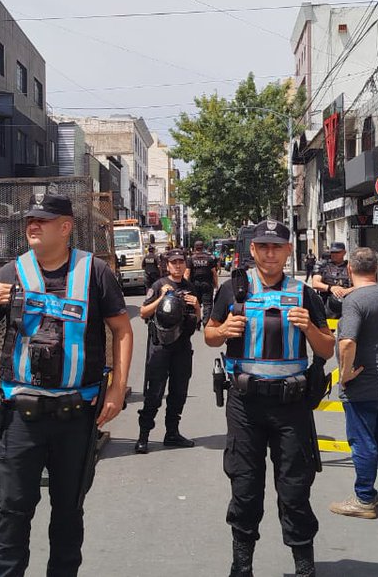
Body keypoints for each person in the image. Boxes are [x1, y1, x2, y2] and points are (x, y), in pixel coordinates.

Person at [0, 193, 133, 577]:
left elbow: (122, 330)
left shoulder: (95, 272)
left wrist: (118, 388)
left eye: (42, 220)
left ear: (66, 227)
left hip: (76, 415)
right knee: (11, 512)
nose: (33, 226)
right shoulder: (10, 273)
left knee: (68, 513)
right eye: (29, 221)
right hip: (20, 418)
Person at [206, 220, 334, 577]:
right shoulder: (234, 289)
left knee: (294, 489)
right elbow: (209, 335)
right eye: (263, 246)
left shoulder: (304, 292)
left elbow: (327, 348)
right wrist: (223, 331)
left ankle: (304, 567)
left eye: (277, 246)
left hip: (291, 405)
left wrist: (309, 327)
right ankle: (241, 566)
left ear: (288, 250)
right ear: (253, 250)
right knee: (245, 487)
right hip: (245, 404)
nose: (270, 253)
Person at [329, 248, 378, 520]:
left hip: (363, 379)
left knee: (362, 440)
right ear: (376, 269)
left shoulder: (354, 300)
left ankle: (364, 498)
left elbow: (347, 341)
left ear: (350, 269)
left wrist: (345, 372)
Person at [137, 248, 201, 453]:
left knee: (178, 392)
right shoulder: (158, 285)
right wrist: (161, 298)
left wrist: (198, 306)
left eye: (181, 262)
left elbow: (197, 321)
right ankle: (143, 436)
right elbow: (143, 312)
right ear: (167, 265)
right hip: (160, 348)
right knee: (154, 393)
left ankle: (172, 433)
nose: (178, 265)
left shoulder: (190, 287)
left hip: (182, 347)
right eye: (174, 262)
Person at [311, 242, 351, 320]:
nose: (334, 255)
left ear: (344, 252)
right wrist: (331, 288)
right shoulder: (323, 265)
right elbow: (315, 283)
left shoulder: (350, 266)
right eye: (332, 252)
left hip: (347, 303)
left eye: (337, 252)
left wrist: (346, 291)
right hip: (327, 304)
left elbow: (359, 285)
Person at [185, 240, 219, 326]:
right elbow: (214, 273)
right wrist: (216, 284)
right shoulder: (209, 258)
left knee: (196, 303)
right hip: (207, 284)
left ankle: (197, 322)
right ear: (203, 247)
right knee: (207, 305)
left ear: (195, 248)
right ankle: (206, 322)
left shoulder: (191, 259)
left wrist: (184, 285)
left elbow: (187, 273)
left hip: (194, 285)